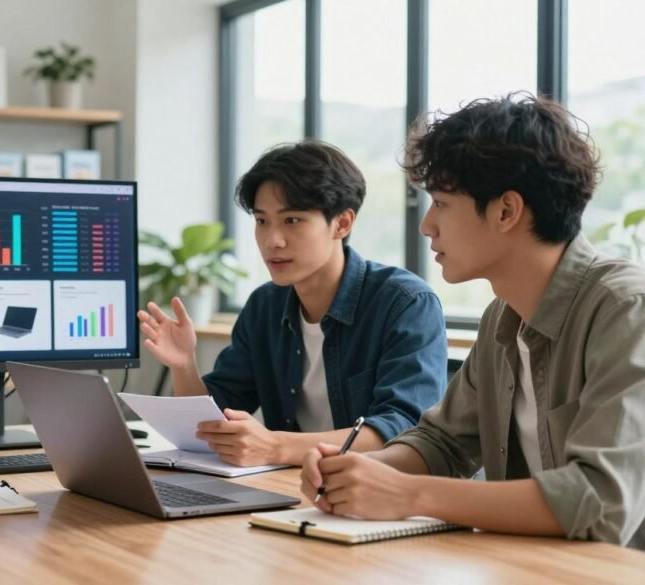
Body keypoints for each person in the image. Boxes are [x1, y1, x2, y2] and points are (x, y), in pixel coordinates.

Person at [299, 93, 645, 549]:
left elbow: (600, 502)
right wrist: (361, 472)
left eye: (440, 202)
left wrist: (408, 493)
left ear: (506, 211)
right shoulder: (503, 315)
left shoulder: (626, 309)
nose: (426, 226)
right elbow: (443, 443)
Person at [137, 140, 447, 467]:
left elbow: (401, 430)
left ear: (342, 223)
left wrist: (275, 446)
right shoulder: (264, 306)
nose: (273, 240)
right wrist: (184, 365)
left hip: (381, 497)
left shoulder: (405, 304)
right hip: (294, 488)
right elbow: (210, 425)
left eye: (292, 221)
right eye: (261, 221)